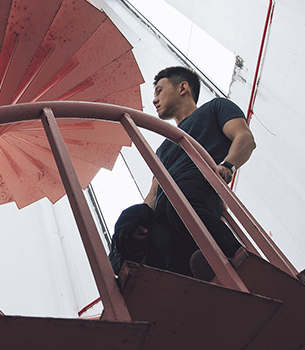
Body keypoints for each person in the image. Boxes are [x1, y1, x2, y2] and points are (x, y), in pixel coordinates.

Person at [108, 65, 256, 279]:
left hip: (196, 186)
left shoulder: (215, 108)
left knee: (177, 201)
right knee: (130, 221)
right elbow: (153, 194)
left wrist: (227, 166)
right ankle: (137, 280)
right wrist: (140, 220)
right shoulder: (162, 149)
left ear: (183, 87)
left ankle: (232, 254)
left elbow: (245, 138)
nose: (154, 100)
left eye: (159, 90)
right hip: (167, 205)